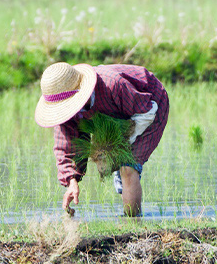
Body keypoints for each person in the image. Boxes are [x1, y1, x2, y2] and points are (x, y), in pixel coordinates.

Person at [34, 62, 169, 216]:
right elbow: (66, 146)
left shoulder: (113, 85)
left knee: (127, 168)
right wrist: (71, 181)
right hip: (112, 114)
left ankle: (133, 224)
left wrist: (120, 147)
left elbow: (147, 111)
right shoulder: (65, 113)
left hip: (149, 106)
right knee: (116, 165)